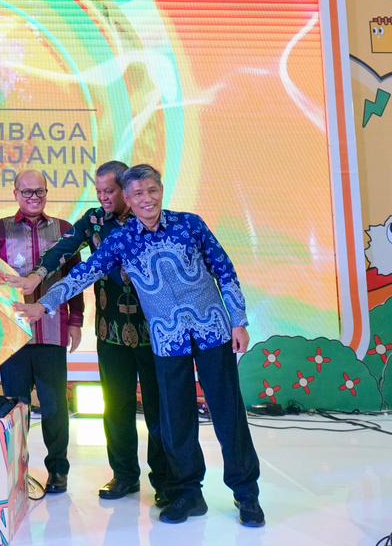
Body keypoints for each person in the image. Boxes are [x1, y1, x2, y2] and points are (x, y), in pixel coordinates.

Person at [14, 165, 265, 528]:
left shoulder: (190, 224)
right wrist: (43, 304)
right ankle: (188, 494)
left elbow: (224, 270)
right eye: (138, 194)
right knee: (176, 420)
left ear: (161, 190)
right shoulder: (122, 240)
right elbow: (83, 274)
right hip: (167, 340)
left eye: (152, 191)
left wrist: (238, 320)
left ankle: (247, 494)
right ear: (128, 200)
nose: (146, 199)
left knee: (228, 414)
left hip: (212, 330)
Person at [16, 161, 173, 503]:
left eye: (109, 191)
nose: (103, 197)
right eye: (99, 191)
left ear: (127, 190)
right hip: (110, 331)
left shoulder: (149, 218)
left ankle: (164, 481)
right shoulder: (93, 220)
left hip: (155, 331)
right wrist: (39, 274)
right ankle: (125, 476)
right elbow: (64, 250)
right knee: (115, 407)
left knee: (158, 409)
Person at [0, 169, 83, 494]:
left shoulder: (65, 230)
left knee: (55, 407)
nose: (34, 197)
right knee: (16, 407)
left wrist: (76, 319)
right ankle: (16, 471)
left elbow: (75, 278)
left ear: (47, 192)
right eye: (26, 192)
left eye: (39, 191)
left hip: (52, 331)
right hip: (13, 335)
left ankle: (58, 470)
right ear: (15, 194)